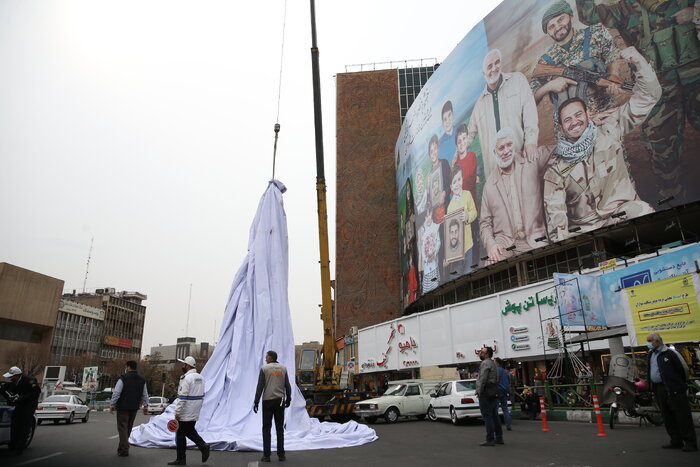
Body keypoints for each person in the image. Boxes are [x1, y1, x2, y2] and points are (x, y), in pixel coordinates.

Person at [575, 0, 700, 203]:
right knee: (662, 150)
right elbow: (589, 16)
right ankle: (673, 204)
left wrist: (695, 12)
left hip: (695, 76)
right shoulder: (624, 8)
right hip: (656, 88)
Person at [543, 47, 659, 241]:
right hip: (587, 232)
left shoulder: (609, 129)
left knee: (642, 211)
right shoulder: (555, 167)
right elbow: (556, 217)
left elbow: (649, 97)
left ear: (589, 115)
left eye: (578, 115)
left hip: (620, 213)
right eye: (567, 120)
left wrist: (639, 63)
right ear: (561, 128)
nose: (574, 122)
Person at [531, 0, 623, 121]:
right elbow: (530, 98)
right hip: (571, 130)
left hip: (605, 116)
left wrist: (612, 79)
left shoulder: (596, 33)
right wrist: (549, 86)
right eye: (551, 26)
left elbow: (613, 56)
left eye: (560, 20)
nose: (557, 27)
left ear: (570, 15)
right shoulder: (545, 61)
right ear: (547, 32)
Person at [459, 49, 539, 182]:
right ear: (483, 73)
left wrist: (531, 142)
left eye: (497, 63)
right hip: (496, 172)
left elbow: (530, 113)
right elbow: (469, 134)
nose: (494, 68)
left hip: (520, 160)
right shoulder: (479, 104)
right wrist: (458, 153)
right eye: (489, 66)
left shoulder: (517, 80)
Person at [479, 127, 553, 263]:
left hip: (536, 238)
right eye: (501, 148)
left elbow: (556, 150)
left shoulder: (530, 161)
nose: (506, 150)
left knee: (546, 263)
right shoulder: (489, 186)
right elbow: (485, 223)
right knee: (490, 262)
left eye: (509, 145)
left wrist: (586, 128)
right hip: (506, 245)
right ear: (494, 152)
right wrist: (491, 245)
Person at [646, 333, 697, 452]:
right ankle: (675, 440)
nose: (647, 343)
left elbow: (684, 370)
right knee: (667, 416)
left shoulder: (670, 353)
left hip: (674, 389)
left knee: (682, 416)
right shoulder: (650, 355)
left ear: (657, 341)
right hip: (658, 389)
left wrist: (678, 385)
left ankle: (690, 442)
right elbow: (649, 370)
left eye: (649, 341)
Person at [168, 356, 210, 465]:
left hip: (186, 410)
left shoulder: (186, 379)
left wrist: (178, 412)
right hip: (195, 410)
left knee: (182, 434)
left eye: (184, 364)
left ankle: (185, 456)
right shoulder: (201, 378)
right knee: (189, 431)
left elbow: (182, 397)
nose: (183, 366)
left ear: (187, 365)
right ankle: (197, 449)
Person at [254, 350, 292, 462]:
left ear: (271, 358)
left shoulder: (264, 369)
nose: (265, 358)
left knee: (266, 428)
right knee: (279, 428)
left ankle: (266, 455)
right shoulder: (283, 368)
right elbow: (287, 385)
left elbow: (260, 386)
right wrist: (288, 398)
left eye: (267, 356)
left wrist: (256, 401)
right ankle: (281, 454)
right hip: (280, 401)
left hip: (268, 401)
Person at [110, 360, 149, 458]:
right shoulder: (142, 380)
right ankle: (121, 447)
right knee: (128, 428)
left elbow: (116, 393)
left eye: (126, 367)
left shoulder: (123, 379)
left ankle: (124, 449)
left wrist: (112, 405)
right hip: (134, 407)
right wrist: (146, 406)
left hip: (123, 407)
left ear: (128, 367)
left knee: (122, 428)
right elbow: (145, 394)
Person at [2, 366, 40, 456]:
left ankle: (19, 448)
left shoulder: (30, 380)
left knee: (24, 426)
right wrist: (10, 396)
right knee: (15, 425)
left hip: (29, 405)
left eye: (12, 376)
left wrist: (21, 397)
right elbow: (3, 390)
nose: (10, 378)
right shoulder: (12, 382)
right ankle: (13, 445)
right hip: (19, 405)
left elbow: (36, 393)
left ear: (17, 375)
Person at [475, 346, 503, 446]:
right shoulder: (493, 364)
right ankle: (499, 438)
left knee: (487, 416)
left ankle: (490, 439)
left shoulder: (485, 363)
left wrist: (479, 391)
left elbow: (482, 378)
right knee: (494, 415)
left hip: (486, 392)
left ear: (487, 354)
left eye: (482, 352)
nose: (480, 354)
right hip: (494, 391)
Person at [428, 134, 451, 224]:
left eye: (435, 149)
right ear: (429, 154)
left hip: (447, 210)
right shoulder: (429, 176)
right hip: (436, 219)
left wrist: (444, 193)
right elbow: (429, 200)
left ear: (438, 149)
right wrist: (429, 214)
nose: (433, 153)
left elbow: (451, 183)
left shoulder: (444, 163)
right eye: (431, 151)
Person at [494, 358, 512, 431]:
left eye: (494, 362)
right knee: (505, 409)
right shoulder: (505, 371)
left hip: (497, 392)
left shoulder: (495, 370)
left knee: (495, 410)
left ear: (497, 363)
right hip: (504, 392)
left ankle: (496, 426)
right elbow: (508, 381)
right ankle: (508, 425)